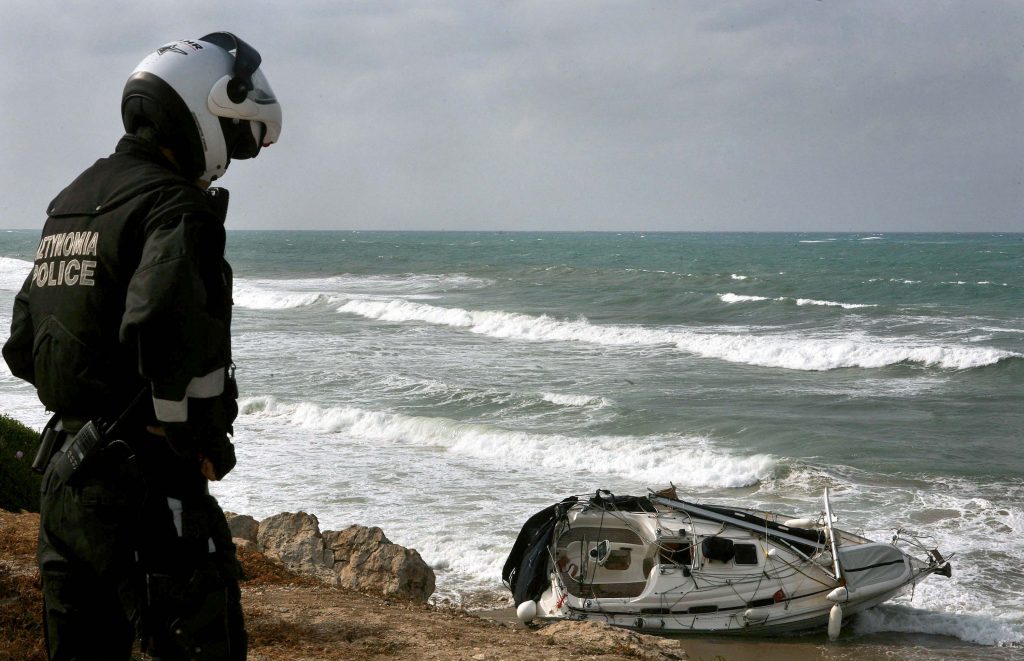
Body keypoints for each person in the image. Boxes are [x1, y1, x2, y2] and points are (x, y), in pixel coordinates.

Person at [2, 32, 282, 660]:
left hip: (65, 484)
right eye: (230, 137)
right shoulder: (176, 208)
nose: (228, 161)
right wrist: (201, 440)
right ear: (198, 110)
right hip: (146, 491)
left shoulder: (71, 205)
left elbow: (23, 343)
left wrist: (89, 389)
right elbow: (162, 327)